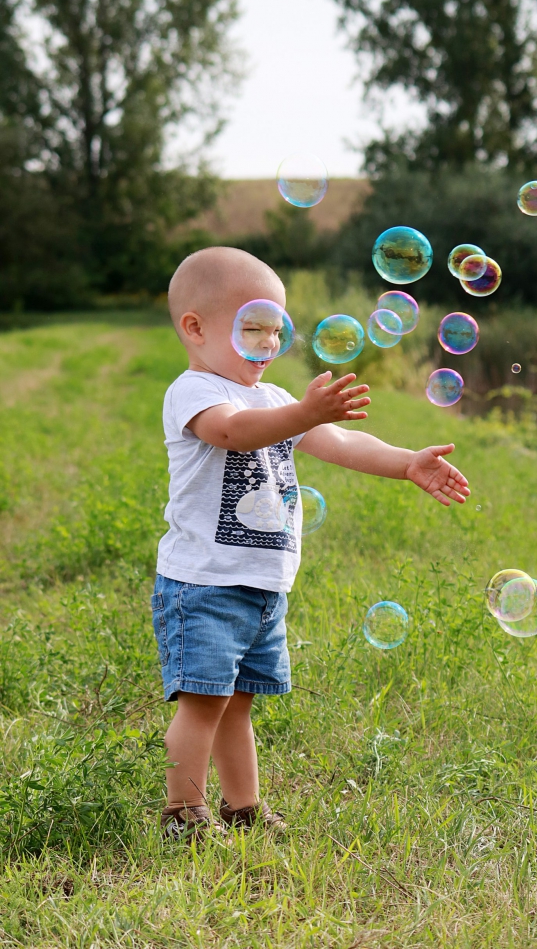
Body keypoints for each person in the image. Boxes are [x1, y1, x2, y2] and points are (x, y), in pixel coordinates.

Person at [154, 246, 470, 840]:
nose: (270, 345)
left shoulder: (275, 401)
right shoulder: (194, 392)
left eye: (277, 332)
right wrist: (301, 412)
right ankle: (183, 812)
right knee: (202, 702)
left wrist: (406, 463)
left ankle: (242, 807)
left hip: (263, 587)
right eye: (253, 328)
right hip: (203, 583)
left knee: (238, 702)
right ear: (194, 328)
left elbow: (344, 445)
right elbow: (233, 432)